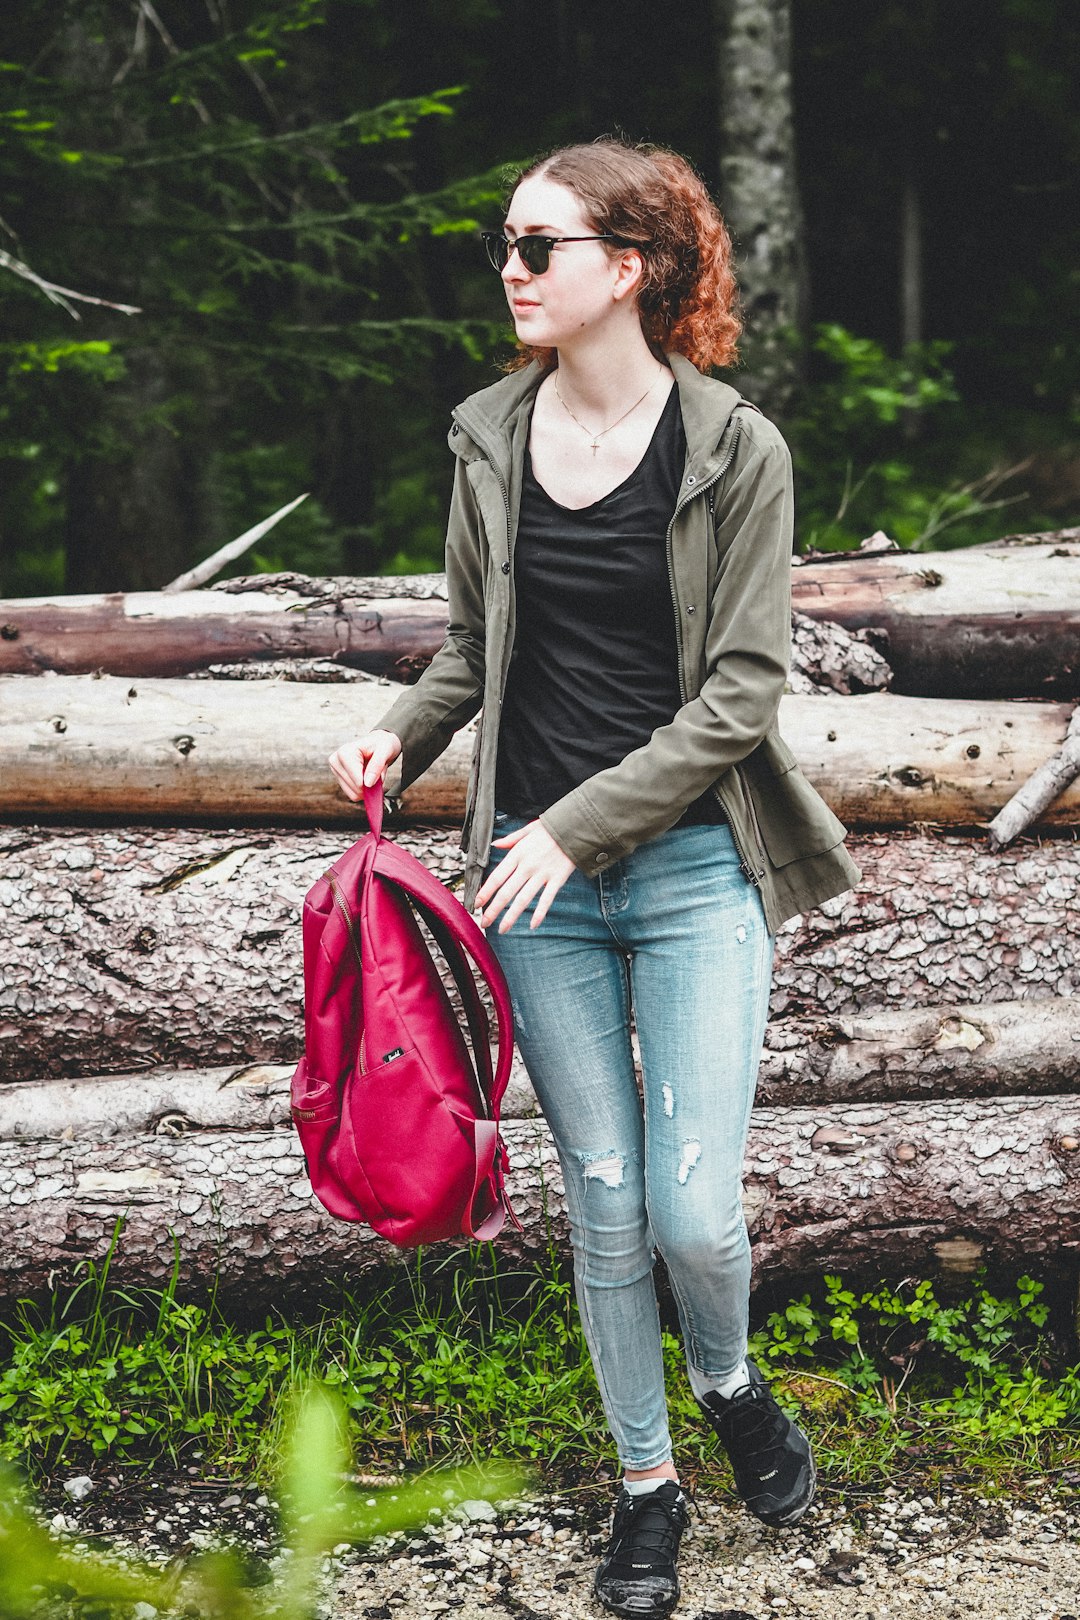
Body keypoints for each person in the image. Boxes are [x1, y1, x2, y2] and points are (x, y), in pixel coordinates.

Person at [329, 137, 860, 1620]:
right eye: (505, 243)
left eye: (538, 245)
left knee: (695, 1215)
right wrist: (393, 734)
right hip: (529, 892)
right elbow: (463, 647)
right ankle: (648, 1490)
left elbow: (740, 697)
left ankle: (735, 1382)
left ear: (627, 268)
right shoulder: (489, 435)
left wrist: (581, 827)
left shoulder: (735, 446)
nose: (509, 268)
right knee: (608, 1200)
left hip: (692, 872)